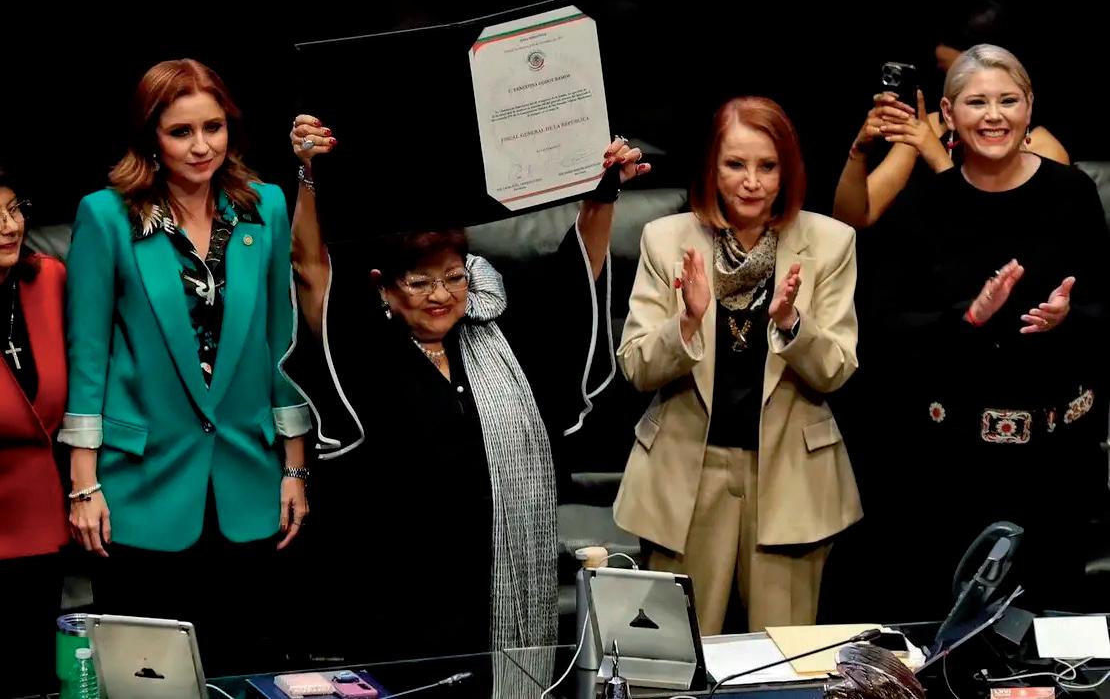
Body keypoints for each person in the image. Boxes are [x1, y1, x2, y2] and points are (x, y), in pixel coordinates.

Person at [281, 114, 651, 661]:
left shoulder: (504, 339)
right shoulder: (365, 351)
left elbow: (577, 278)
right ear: (383, 288)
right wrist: (309, 175)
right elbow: (311, 268)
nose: (441, 295)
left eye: (454, 277)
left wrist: (603, 194)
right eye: (420, 282)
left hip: (501, 584)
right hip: (399, 592)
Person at [827, 45, 1110, 622]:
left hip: (1057, 462)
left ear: (1030, 108)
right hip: (950, 467)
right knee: (952, 629)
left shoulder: (1073, 194)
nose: (994, 115)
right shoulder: (923, 206)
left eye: (1008, 100)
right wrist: (969, 319)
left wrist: (1068, 319)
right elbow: (886, 326)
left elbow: (1106, 306)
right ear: (948, 115)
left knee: (1046, 631)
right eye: (977, 102)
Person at [60, 59, 310, 674]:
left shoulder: (265, 207)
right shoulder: (107, 216)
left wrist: (295, 468)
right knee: (151, 678)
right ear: (150, 137)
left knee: (247, 668)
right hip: (142, 484)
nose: (202, 146)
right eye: (181, 132)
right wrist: (84, 484)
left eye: (213, 127)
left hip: (249, 477)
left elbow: (282, 344)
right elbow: (88, 357)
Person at [612, 96, 861, 633]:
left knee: (782, 661)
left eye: (767, 166)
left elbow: (837, 369)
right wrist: (686, 321)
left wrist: (793, 323)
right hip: (686, 474)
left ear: (787, 171)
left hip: (791, 479)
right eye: (735, 165)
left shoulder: (830, 242)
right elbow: (635, 366)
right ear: (712, 168)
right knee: (680, 659)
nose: (752, 182)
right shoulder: (666, 239)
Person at [833, 1, 1068, 229]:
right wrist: (859, 152)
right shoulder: (930, 126)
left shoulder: (1045, 152)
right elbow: (851, 219)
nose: (993, 115)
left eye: (1005, 99)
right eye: (947, 78)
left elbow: (994, 236)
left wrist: (935, 154)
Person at [0, 166, 69, 696]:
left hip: (40, 511)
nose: (9, 227)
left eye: (13, 210)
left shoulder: (49, 278)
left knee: (34, 674)